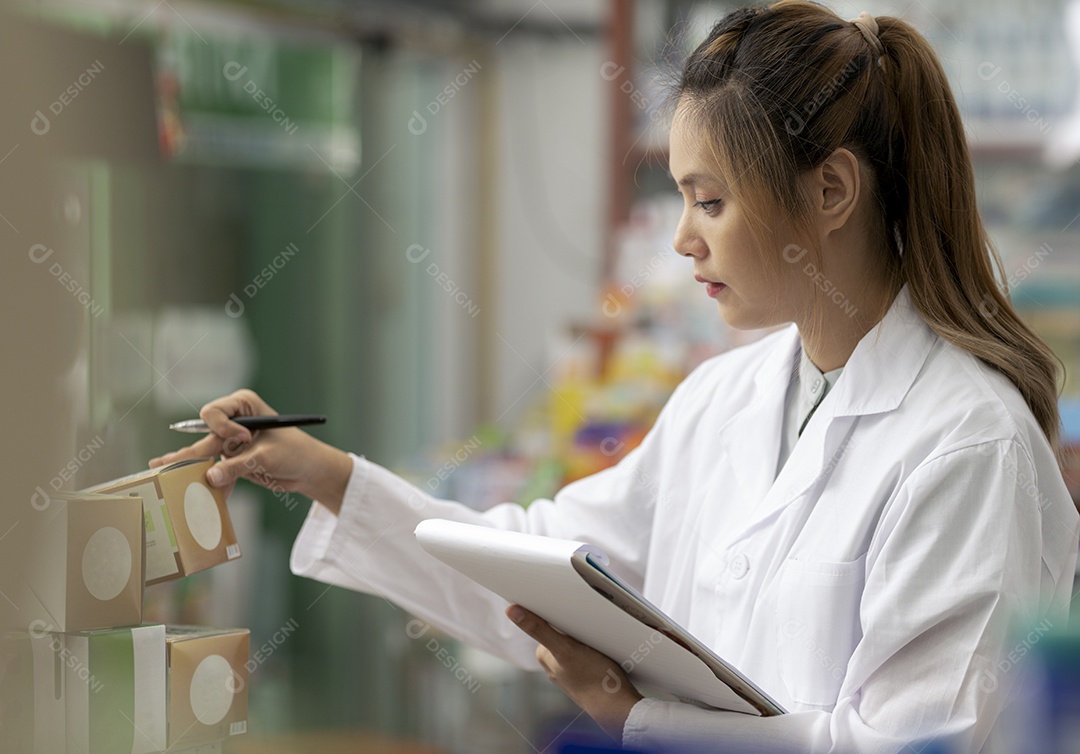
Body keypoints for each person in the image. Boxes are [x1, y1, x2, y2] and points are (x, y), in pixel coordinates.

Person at [151, 2, 1079, 751]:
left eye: (709, 201)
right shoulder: (729, 398)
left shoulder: (968, 445)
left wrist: (637, 721)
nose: (683, 239)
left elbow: (921, 744)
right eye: (680, 197)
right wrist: (324, 473)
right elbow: (553, 569)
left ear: (832, 192)